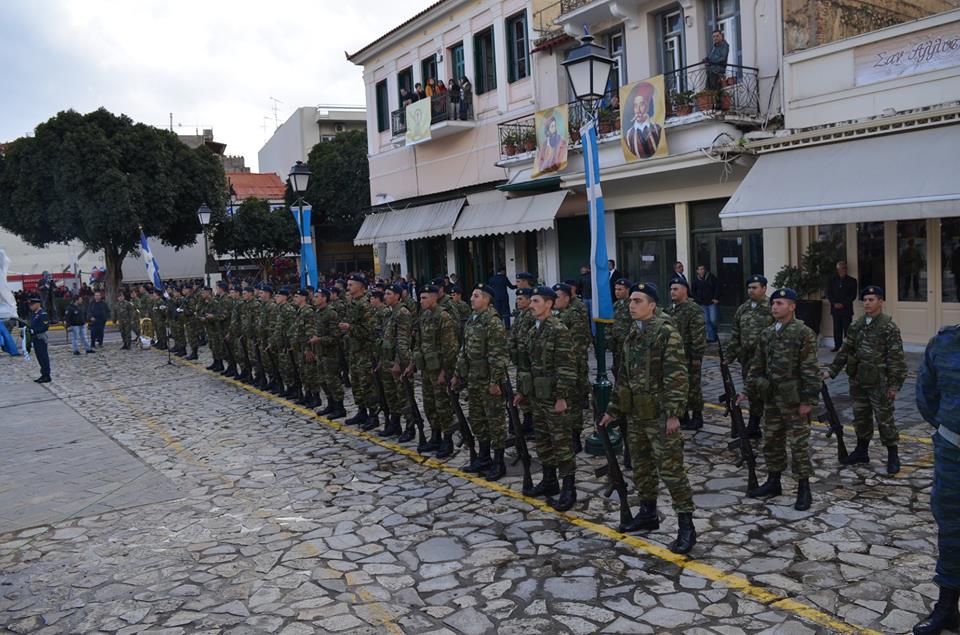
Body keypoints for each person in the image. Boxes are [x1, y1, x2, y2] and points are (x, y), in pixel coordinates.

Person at [598, 282, 696, 554]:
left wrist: (675, 415)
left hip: (661, 415)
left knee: (672, 471)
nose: (632, 305)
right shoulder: (632, 335)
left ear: (652, 305)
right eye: (631, 300)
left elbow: (677, 376)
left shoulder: (665, 334)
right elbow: (625, 379)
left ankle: (686, 525)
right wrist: (612, 410)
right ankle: (648, 513)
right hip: (637, 416)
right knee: (641, 468)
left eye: (638, 301)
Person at [739, 288, 820, 511]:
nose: (774, 307)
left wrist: (808, 400)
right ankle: (773, 481)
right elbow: (757, 365)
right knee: (772, 440)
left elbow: (810, 369)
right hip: (772, 398)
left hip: (793, 399)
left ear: (792, 306)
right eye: (773, 303)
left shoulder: (803, 333)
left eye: (780, 303)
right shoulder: (767, 334)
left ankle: (804, 488)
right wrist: (746, 390)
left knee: (798, 444)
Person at [824, 286, 907, 473]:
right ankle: (862, 450)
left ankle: (893, 454)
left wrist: (894, 385)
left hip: (880, 382)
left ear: (881, 302)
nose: (867, 303)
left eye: (872, 299)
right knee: (861, 417)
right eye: (865, 300)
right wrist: (832, 371)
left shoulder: (888, 327)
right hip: (859, 380)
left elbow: (896, 358)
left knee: (884, 419)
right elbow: (845, 350)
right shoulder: (857, 324)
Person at [514, 285, 578, 510]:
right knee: (543, 440)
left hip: (553, 397)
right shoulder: (534, 329)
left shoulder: (558, 329)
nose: (531, 305)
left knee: (561, 442)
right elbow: (529, 365)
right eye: (531, 301)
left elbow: (567, 366)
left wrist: (562, 397)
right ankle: (550, 481)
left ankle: (569, 488)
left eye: (536, 301)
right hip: (537, 396)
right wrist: (523, 391)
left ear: (549, 304)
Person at [915, 322, 960, 635]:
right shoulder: (944, 343)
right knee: (951, 529)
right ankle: (947, 608)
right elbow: (926, 396)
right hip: (953, 454)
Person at [452, 283, 509, 480]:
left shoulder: (492, 322)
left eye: (476, 296)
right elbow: (464, 350)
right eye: (472, 295)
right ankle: (484, 457)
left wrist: (495, 382)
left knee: (495, 422)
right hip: (474, 379)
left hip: (488, 381)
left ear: (486, 299)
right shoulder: (472, 320)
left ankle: (499, 462)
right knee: (477, 420)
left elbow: (498, 355)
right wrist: (458, 374)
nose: (471, 299)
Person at [408, 284, 459, 457]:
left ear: (434, 298)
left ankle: (447, 439)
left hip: (439, 371)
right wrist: (413, 363)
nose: (420, 301)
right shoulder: (424, 316)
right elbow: (418, 344)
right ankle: (435, 436)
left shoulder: (443, 317)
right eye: (420, 298)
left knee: (443, 406)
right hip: (426, 370)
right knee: (429, 405)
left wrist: (445, 372)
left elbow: (450, 348)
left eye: (424, 298)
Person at [726, 275, 774, 438]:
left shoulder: (771, 307)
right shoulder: (743, 309)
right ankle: (754, 425)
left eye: (755, 287)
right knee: (751, 390)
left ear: (764, 288)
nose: (751, 291)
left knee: (767, 391)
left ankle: (772, 426)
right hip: (747, 359)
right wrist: (729, 356)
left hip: (767, 360)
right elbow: (735, 334)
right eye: (749, 288)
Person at [665, 278, 707, 430]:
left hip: (689, 355)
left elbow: (699, 334)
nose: (672, 292)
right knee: (678, 385)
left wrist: (697, 356)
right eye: (671, 289)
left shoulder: (693, 309)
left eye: (676, 289)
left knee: (693, 386)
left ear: (685, 290)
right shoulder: (670, 310)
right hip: (674, 356)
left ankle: (697, 417)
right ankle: (683, 416)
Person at [340, 274, 378, 427]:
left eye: (351, 285)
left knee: (367, 383)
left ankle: (373, 415)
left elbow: (370, 330)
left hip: (365, 351)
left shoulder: (365, 304)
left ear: (361, 287)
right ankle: (361, 411)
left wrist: (350, 328)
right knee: (356, 382)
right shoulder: (352, 303)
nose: (348, 287)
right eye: (348, 284)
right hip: (354, 350)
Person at [311, 288, 347, 419]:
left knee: (333, 380)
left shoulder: (331, 313)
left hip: (330, 354)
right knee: (323, 380)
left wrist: (319, 340)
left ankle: (340, 407)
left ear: (324, 298)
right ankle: (330, 403)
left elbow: (335, 337)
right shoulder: (318, 312)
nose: (314, 299)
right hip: (320, 352)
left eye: (317, 296)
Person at [624, 84, 663, 159]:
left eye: (642, 105)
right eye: (635, 106)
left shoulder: (657, 129)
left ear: (648, 106)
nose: (638, 110)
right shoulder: (629, 134)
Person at [826, 260, 858, 351]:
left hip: (846, 309)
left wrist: (843, 304)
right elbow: (829, 294)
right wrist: (834, 303)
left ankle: (847, 347)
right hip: (835, 308)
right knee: (837, 328)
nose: (843, 270)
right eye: (841, 268)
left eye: (845, 268)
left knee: (847, 329)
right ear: (837, 269)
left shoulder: (852, 281)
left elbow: (853, 295)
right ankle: (837, 346)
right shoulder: (831, 280)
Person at [609, 278, 632, 381]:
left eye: (620, 289)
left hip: (628, 344)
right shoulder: (615, 305)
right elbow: (609, 324)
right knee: (616, 368)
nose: (617, 292)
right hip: (616, 344)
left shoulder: (632, 305)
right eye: (615, 289)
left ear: (627, 290)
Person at [692, 264, 720, 343]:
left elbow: (717, 287)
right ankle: (711, 337)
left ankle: (714, 332)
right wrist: (697, 300)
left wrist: (716, 298)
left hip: (711, 302)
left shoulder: (711, 277)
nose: (702, 271)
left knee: (713, 320)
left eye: (703, 269)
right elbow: (693, 291)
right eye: (700, 269)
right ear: (697, 271)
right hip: (702, 303)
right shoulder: (696, 281)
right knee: (706, 321)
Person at [27, 296, 51, 383]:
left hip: (40, 338)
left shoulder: (42, 314)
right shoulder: (34, 314)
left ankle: (46, 375)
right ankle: (43, 374)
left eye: (32, 304)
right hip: (35, 339)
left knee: (43, 357)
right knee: (39, 357)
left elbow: (45, 327)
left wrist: (34, 331)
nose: (31, 306)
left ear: (37, 304)